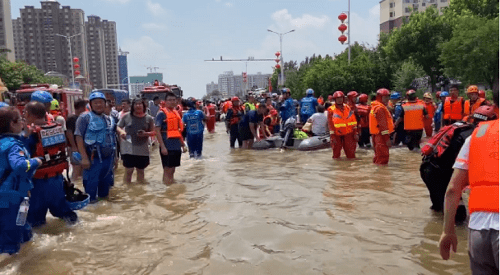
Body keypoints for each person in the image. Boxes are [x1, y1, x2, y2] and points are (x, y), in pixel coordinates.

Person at [439, 90, 499, 275]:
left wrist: (447, 231)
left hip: (478, 231)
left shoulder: (476, 136)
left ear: (495, 106)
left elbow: (452, 189)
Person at [420, 105, 498, 214]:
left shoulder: (463, 128)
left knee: (439, 209)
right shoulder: (474, 136)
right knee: (459, 215)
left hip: (427, 168)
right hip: (438, 174)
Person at [22, 102, 78, 226]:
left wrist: (24, 136)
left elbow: (24, 158)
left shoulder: (32, 135)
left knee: (36, 221)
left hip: (38, 183)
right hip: (57, 179)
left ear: (29, 114)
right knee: (65, 213)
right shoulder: (56, 128)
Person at [0, 106, 42, 254]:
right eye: (21, 120)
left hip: (15, 196)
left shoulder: (6, 142)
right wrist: (36, 161)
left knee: (23, 229)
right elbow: (20, 165)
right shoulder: (12, 145)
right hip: (13, 198)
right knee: (12, 238)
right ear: (12, 124)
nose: (23, 123)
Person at [75, 92, 124, 202]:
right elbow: (78, 137)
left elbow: (115, 130)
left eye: (101, 102)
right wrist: (84, 158)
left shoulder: (108, 119)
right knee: (90, 191)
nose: (98, 105)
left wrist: (121, 133)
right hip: (93, 159)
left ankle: (103, 212)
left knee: (105, 191)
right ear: (91, 104)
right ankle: (92, 212)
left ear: (105, 104)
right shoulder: (84, 118)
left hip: (108, 160)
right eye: (95, 103)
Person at [117, 98, 155, 184]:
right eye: (136, 104)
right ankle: (127, 190)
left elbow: (153, 132)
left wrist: (146, 134)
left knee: (141, 170)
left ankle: (139, 191)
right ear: (132, 106)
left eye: (140, 104)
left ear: (144, 106)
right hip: (128, 146)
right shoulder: (126, 116)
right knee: (129, 170)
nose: (138, 106)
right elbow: (117, 126)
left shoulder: (148, 118)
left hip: (142, 148)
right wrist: (122, 132)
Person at [155, 92, 187, 185]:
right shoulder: (161, 113)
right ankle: (167, 189)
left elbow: (177, 130)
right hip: (167, 145)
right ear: (165, 101)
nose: (172, 102)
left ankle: (171, 187)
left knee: (172, 169)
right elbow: (157, 130)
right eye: (169, 100)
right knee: (167, 169)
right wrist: (163, 147)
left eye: (174, 100)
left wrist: (182, 144)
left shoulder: (175, 112)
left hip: (176, 145)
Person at [327, 91, 358, 159]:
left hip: (348, 133)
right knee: (336, 154)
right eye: (338, 98)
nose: (340, 100)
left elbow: (353, 121)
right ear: (335, 99)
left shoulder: (347, 107)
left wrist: (355, 132)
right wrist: (332, 136)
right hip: (336, 134)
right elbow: (330, 124)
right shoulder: (331, 109)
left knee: (351, 154)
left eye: (341, 98)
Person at [369, 88, 394, 165]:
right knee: (383, 157)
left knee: (378, 157)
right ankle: (382, 176)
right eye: (385, 97)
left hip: (376, 135)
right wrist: (387, 139)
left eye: (388, 97)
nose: (387, 99)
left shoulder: (375, 106)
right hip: (381, 137)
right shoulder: (380, 108)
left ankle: (377, 174)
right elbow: (383, 126)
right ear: (380, 97)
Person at [66, 98, 88, 181]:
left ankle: (79, 186)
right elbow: (69, 133)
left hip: (80, 147)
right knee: (76, 168)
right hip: (74, 147)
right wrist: (74, 146)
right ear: (82, 107)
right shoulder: (72, 118)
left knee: (82, 168)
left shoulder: (81, 118)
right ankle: (73, 185)